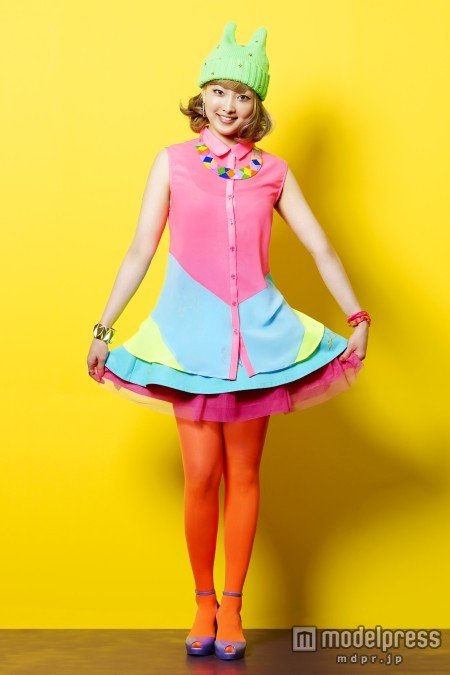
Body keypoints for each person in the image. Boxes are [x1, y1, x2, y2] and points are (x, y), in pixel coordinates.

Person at [87, 21, 370, 661]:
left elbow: (322, 246)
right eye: (218, 90)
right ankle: (203, 601)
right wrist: (105, 328)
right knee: (200, 476)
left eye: (243, 94)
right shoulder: (172, 162)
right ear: (202, 95)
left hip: (257, 346)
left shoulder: (274, 171)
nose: (228, 104)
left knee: (244, 476)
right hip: (189, 344)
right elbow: (140, 249)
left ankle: (234, 607)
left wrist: (357, 317)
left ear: (257, 105)